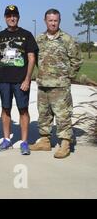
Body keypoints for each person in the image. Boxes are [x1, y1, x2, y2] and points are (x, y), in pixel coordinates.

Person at [29, 9, 83, 159]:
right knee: (44, 114)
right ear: (45, 21)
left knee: (63, 115)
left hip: (60, 86)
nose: (53, 23)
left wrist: (67, 77)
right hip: (43, 84)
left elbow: (77, 60)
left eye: (55, 20)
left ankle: (65, 143)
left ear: (59, 21)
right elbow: (35, 59)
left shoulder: (67, 39)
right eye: (50, 20)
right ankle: (45, 141)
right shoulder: (39, 39)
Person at [0, 5, 38, 155]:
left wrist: (27, 79)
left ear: (18, 17)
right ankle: (6, 139)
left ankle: (24, 142)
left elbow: (31, 58)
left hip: (21, 80)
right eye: (9, 15)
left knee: (23, 109)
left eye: (14, 15)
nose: (11, 18)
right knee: (5, 109)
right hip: (4, 80)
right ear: (5, 18)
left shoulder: (26, 35)